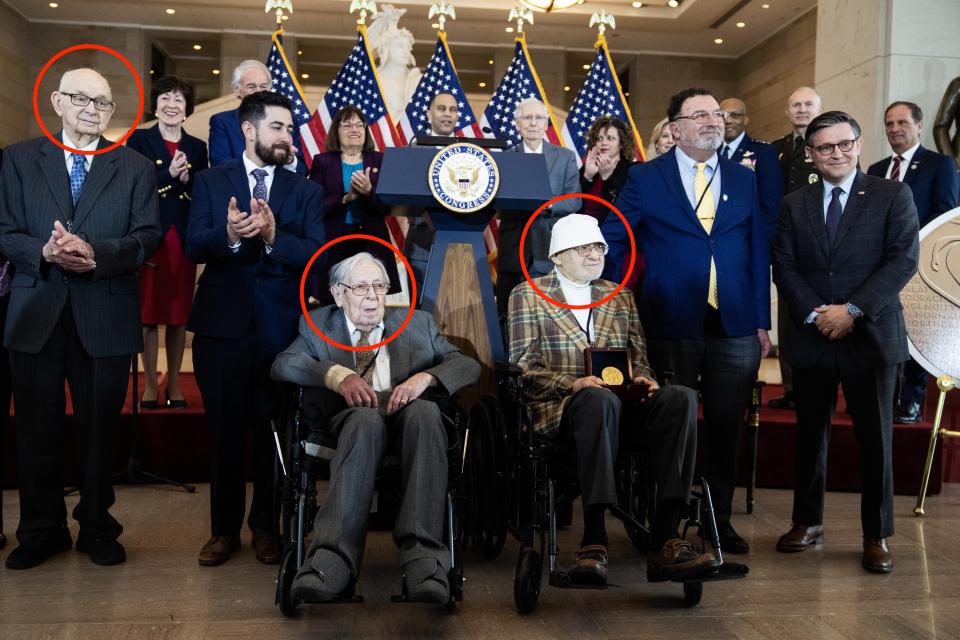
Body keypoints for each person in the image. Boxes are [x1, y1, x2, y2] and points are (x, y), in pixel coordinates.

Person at [0, 68, 162, 569]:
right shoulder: (20, 159)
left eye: (104, 102)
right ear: (57, 101)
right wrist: (45, 252)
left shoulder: (134, 166)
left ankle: (96, 526)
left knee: (99, 432)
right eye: (82, 98)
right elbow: (5, 231)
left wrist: (98, 253)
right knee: (36, 430)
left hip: (105, 313)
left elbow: (147, 236)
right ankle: (40, 530)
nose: (93, 109)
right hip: (35, 312)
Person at [601, 88, 771, 555]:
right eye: (700, 115)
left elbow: (757, 250)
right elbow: (617, 237)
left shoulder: (743, 177)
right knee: (671, 422)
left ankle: (719, 522)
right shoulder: (645, 177)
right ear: (675, 128)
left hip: (734, 322)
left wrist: (761, 319)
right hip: (670, 318)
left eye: (716, 113)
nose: (712, 121)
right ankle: (666, 525)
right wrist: (617, 297)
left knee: (725, 428)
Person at [508, 214, 715, 585]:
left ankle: (667, 535)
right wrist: (573, 384)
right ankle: (594, 538)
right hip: (564, 409)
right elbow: (523, 368)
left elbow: (641, 359)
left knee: (681, 397)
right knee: (597, 400)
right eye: (583, 247)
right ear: (557, 256)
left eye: (599, 247)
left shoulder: (619, 296)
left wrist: (645, 381)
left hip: (624, 407)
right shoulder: (528, 294)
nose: (594, 254)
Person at [271, 252, 480, 603]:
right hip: (350, 424)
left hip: (408, 423)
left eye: (380, 286)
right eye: (361, 287)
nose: (372, 296)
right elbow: (283, 364)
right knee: (366, 419)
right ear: (338, 294)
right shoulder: (318, 324)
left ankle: (423, 560)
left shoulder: (417, 323)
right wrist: (336, 375)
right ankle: (332, 560)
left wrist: (425, 378)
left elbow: (467, 365)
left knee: (427, 415)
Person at [772, 111, 919, 574]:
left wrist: (851, 310)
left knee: (874, 439)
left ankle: (876, 535)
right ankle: (807, 522)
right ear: (811, 155)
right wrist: (819, 313)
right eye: (825, 148)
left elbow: (902, 261)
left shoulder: (892, 194)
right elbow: (785, 266)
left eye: (844, 144)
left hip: (870, 335)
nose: (836, 153)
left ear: (858, 145)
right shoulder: (795, 203)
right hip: (813, 335)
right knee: (809, 436)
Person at [186, 91, 325, 567]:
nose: (288, 137)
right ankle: (222, 531)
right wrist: (227, 234)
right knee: (224, 434)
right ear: (249, 131)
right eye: (279, 128)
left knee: (273, 434)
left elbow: (314, 255)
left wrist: (272, 237)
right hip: (220, 330)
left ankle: (266, 527)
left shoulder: (304, 190)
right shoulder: (210, 181)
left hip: (279, 332)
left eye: (290, 130)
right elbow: (192, 246)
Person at [867, 101, 960, 423]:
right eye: (889, 123)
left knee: (916, 331)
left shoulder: (940, 164)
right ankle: (882, 397)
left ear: (919, 126)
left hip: (920, 267)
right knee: (884, 333)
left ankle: (911, 400)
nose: (895, 129)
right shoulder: (876, 170)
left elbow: (945, 213)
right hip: (879, 267)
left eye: (902, 123)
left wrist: (909, 249)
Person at [127, 75, 208, 409]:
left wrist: (189, 180)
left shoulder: (197, 147)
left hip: (182, 236)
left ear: (187, 109)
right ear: (156, 105)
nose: (172, 104)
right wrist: (169, 176)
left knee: (178, 315)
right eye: (165, 98)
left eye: (178, 99)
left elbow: (204, 192)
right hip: (151, 234)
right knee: (148, 314)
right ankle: (149, 384)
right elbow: (132, 184)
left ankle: (174, 383)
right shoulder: (139, 140)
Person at [308, 105, 401, 305]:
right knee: (334, 300)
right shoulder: (322, 162)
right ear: (336, 130)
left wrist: (369, 193)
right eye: (347, 124)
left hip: (372, 241)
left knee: (370, 301)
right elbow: (314, 207)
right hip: (334, 242)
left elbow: (389, 206)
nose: (354, 129)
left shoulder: (380, 160)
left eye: (360, 125)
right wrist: (346, 198)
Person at [497, 97, 581, 317]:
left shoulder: (565, 157)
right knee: (511, 314)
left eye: (538, 118)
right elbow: (498, 202)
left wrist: (546, 205)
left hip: (551, 249)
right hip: (515, 249)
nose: (533, 123)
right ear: (517, 123)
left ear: (546, 124)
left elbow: (574, 200)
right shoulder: (504, 159)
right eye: (527, 118)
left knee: (549, 315)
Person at [769, 87, 824, 410]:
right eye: (796, 105)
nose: (802, 109)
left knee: (817, 316)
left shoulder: (828, 149)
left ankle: (816, 387)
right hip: (785, 249)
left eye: (808, 104)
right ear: (788, 112)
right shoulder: (775, 151)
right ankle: (791, 388)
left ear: (819, 109)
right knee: (788, 321)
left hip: (819, 249)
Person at [403, 91, 460, 292]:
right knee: (420, 310)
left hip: (461, 242)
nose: (447, 114)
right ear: (429, 114)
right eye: (441, 108)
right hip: (421, 242)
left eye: (452, 110)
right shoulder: (413, 150)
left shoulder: (469, 151)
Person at [208, 60, 305, 175]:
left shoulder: (289, 122)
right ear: (236, 90)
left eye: (263, 86)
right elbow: (220, 165)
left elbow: (302, 170)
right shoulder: (222, 121)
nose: (258, 92)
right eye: (251, 87)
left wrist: (290, 161)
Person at [718, 97, 784, 240]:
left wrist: (761, 243)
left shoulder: (764, 152)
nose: (728, 120)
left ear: (746, 119)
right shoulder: (708, 152)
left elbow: (770, 206)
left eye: (734, 115)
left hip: (747, 236)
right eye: (722, 115)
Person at [579, 116, 639, 224]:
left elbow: (622, 210)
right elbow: (572, 204)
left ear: (621, 144)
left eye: (610, 138)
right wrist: (587, 177)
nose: (604, 143)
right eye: (599, 139)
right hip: (582, 230)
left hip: (611, 233)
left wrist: (608, 179)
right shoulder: (588, 167)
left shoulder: (633, 170)